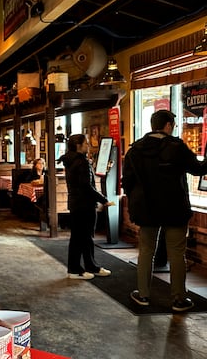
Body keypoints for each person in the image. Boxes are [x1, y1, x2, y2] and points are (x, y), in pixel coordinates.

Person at [122, 109, 207, 312]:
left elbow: (127, 183)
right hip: (174, 208)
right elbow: (199, 169)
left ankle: (143, 295)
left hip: (147, 209)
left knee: (146, 252)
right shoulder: (176, 147)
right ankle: (179, 299)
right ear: (168, 125)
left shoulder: (135, 149)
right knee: (177, 253)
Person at [60, 134, 114, 280]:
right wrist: (103, 199)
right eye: (86, 143)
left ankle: (90, 266)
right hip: (84, 204)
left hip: (76, 203)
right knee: (82, 237)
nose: (88, 145)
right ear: (78, 146)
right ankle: (75, 270)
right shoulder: (81, 162)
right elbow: (86, 186)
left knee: (82, 237)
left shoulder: (70, 160)